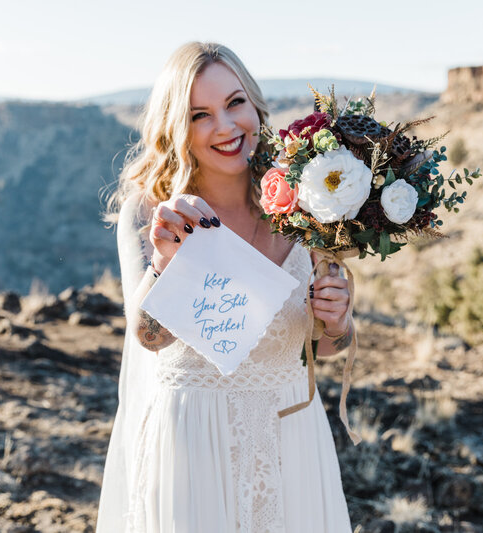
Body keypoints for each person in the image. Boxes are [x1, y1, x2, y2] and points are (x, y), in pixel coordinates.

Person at [97, 41, 355, 533]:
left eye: (235, 103)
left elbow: (326, 347)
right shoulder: (153, 212)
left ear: (254, 105)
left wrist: (337, 321)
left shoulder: (307, 204)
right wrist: (166, 264)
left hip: (292, 436)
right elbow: (149, 339)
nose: (225, 126)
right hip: (193, 445)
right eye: (200, 115)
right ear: (177, 127)